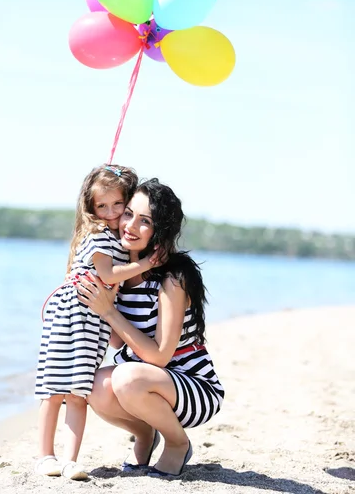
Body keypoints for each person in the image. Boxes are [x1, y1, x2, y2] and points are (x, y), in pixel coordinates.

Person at [75, 178, 224, 478]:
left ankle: (177, 442)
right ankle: (145, 435)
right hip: (146, 379)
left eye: (145, 221)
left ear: (161, 231)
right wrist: (98, 299)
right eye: (128, 213)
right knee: (92, 385)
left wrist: (109, 312)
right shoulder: (120, 273)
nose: (130, 225)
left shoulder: (173, 278)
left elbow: (159, 357)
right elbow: (118, 343)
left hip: (192, 386)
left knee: (127, 377)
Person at [34, 164, 158, 480]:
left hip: (93, 322)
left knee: (78, 391)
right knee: (53, 390)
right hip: (70, 316)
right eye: (102, 206)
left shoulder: (118, 239)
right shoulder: (99, 234)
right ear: (91, 208)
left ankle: (70, 459)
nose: (111, 212)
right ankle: (46, 456)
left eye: (118, 204)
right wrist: (145, 263)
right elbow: (106, 275)